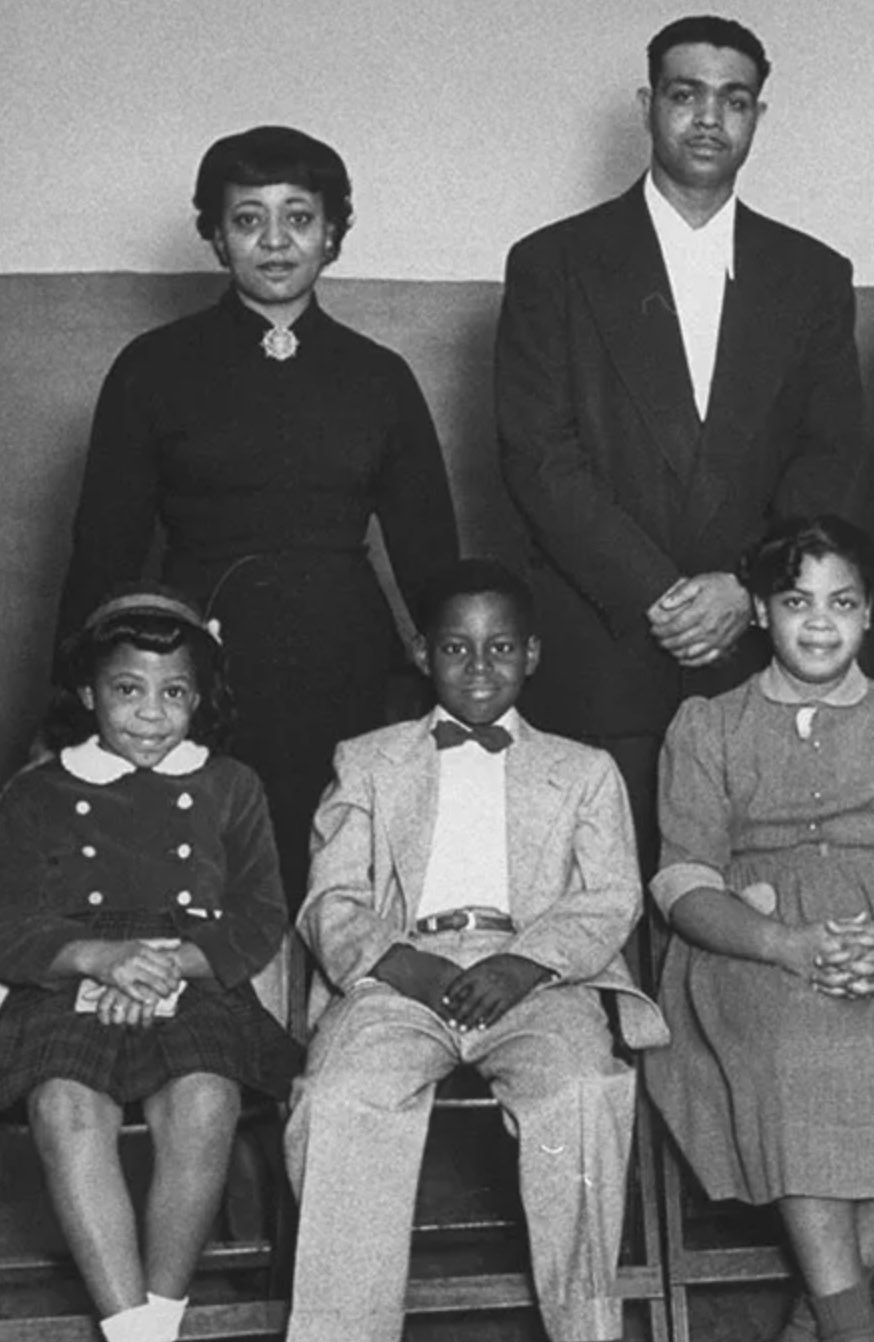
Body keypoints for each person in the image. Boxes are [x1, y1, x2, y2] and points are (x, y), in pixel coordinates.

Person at [496, 14, 870, 863]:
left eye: (733, 100)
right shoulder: (553, 262)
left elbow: (831, 454)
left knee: (752, 886)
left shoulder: (811, 274)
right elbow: (538, 455)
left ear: (757, 119)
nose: (709, 118)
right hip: (605, 636)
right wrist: (659, 594)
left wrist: (747, 587)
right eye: (686, 94)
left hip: (757, 637)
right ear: (647, 104)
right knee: (598, 887)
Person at [57, 125, 459, 910]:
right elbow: (102, 548)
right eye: (248, 219)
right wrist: (67, 701)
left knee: (338, 869)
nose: (275, 242)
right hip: (196, 664)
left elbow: (429, 554)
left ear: (333, 233)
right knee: (205, 877)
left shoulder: (379, 377)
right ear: (214, 235)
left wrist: (456, 691)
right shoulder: (152, 367)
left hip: (346, 662)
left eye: (299, 218)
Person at [283, 560, 664, 1342]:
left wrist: (524, 963)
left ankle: (586, 1331)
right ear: (423, 655)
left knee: (583, 1094)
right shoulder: (367, 761)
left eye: (499, 648)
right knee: (339, 1100)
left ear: (532, 655)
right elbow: (332, 898)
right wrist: (401, 964)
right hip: (399, 973)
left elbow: (610, 896)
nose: (479, 667)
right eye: (456, 648)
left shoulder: (584, 772)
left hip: (538, 975)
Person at [646, 516, 874, 1342]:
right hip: (749, 941)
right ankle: (852, 1328)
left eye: (841, 602)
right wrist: (783, 946)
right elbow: (681, 880)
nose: (818, 621)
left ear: (869, 615)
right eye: (796, 600)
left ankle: (822, 1310)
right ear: (763, 613)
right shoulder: (707, 725)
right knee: (794, 1049)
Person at [0, 588, 300, 1342]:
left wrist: (170, 965)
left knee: (204, 1099)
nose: (150, 713)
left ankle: (156, 1321)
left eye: (174, 693)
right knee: (64, 1105)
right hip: (68, 975)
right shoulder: (36, 792)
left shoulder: (232, 786)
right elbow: (11, 920)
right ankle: (129, 1329)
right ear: (86, 692)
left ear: (200, 698)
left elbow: (261, 913)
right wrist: (99, 958)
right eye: (127, 690)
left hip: (189, 972)